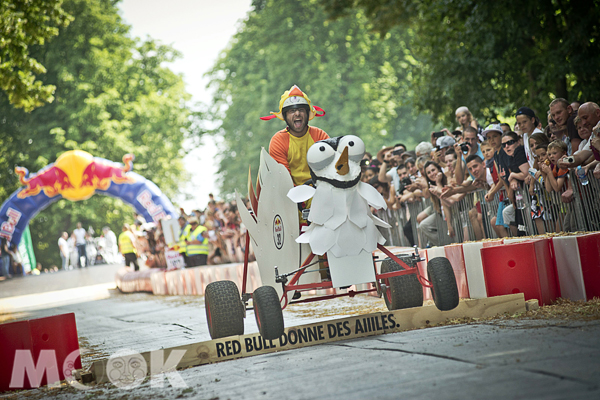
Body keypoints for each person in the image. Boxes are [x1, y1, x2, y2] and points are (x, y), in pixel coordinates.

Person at [265, 85, 329, 187]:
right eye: (292, 111)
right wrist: (300, 198)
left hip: (321, 191)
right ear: (285, 116)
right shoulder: (278, 141)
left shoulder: (320, 135)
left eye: (301, 110)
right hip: (291, 197)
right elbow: (283, 178)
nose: (297, 114)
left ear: (308, 114)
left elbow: (329, 168)